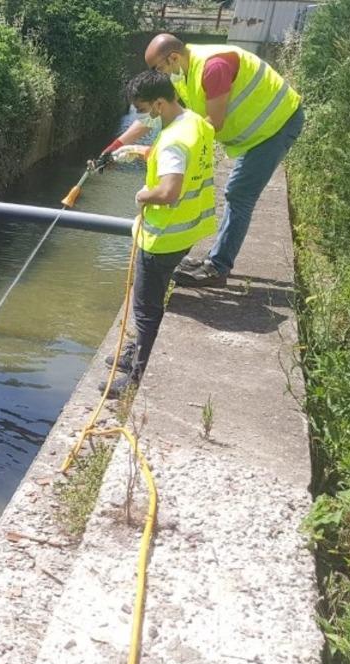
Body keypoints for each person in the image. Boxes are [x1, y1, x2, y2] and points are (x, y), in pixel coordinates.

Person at [95, 34, 304, 287]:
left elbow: (212, 124)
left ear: (172, 57)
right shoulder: (182, 73)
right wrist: (114, 147)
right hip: (256, 131)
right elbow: (152, 114)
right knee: (233, 193)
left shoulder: (212, 68)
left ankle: (217, 267)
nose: (158, 74)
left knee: (239, 195)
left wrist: (164, 151)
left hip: (276, 126)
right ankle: (210, 261)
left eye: (158, 68)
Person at [100, 70, 217, 399]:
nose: (142, 115)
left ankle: (136, 376)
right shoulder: (194, 121)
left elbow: (168, 191)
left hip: (162, 237)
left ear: (162, 102)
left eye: (145, 108)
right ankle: (135, 352)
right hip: (188, 229)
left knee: (146, 309)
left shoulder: (172, 141)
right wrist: (137, 151)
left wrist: (141, 195)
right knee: (149, 303)